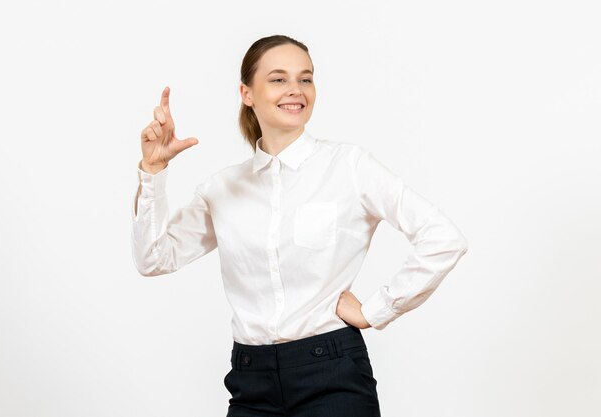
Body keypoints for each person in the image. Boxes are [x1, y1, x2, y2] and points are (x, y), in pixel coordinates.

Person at [131, 34, 468, 417]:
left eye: (305, 79)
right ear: (247, 93)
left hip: (333, 376)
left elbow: (444, 238)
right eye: (278, 79)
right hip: (249, 381)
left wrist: (378, 309)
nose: (296, 90)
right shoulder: (222, 188)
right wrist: (153, 170)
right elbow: (153, 258)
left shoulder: (349, 167)